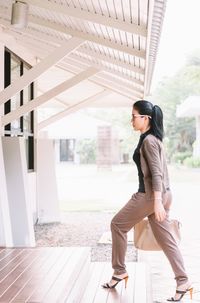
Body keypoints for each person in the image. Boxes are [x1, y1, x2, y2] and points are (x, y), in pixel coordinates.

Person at [102, 100, 192, 302]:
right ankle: (183, 281)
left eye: (134, 116)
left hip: (151, 196)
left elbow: (157, 174)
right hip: (162, 195)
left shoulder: (149, 141)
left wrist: (157, 202)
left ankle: (119, 271)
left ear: (146, 118)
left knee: (117, 225)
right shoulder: (153, 139)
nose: (131, 120)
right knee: (167, 240)